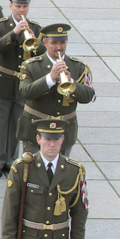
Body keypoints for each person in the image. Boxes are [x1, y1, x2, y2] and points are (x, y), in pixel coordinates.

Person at [0, 0, 44, 178]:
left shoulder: (36, 28)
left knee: (16, 123)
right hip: (2, 82)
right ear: (10, 5)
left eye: (25, 6)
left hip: (23, 84)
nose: (21, 10)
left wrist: (35, 39)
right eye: (18, 6)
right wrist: (14, 33)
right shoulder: (0, 25)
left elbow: (43, 54)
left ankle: (10, 159)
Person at [16, 24, 96, 157]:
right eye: (54, 43)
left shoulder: (78, 67)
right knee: (33, 171)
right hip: (35, 129)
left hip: (64, 130)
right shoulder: (30, 66)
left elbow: (89, 96)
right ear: (45, 42)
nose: (59, 48)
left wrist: (71, 83)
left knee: (61, 173)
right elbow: (25, 92)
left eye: (62, 43)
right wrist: (50, 79)